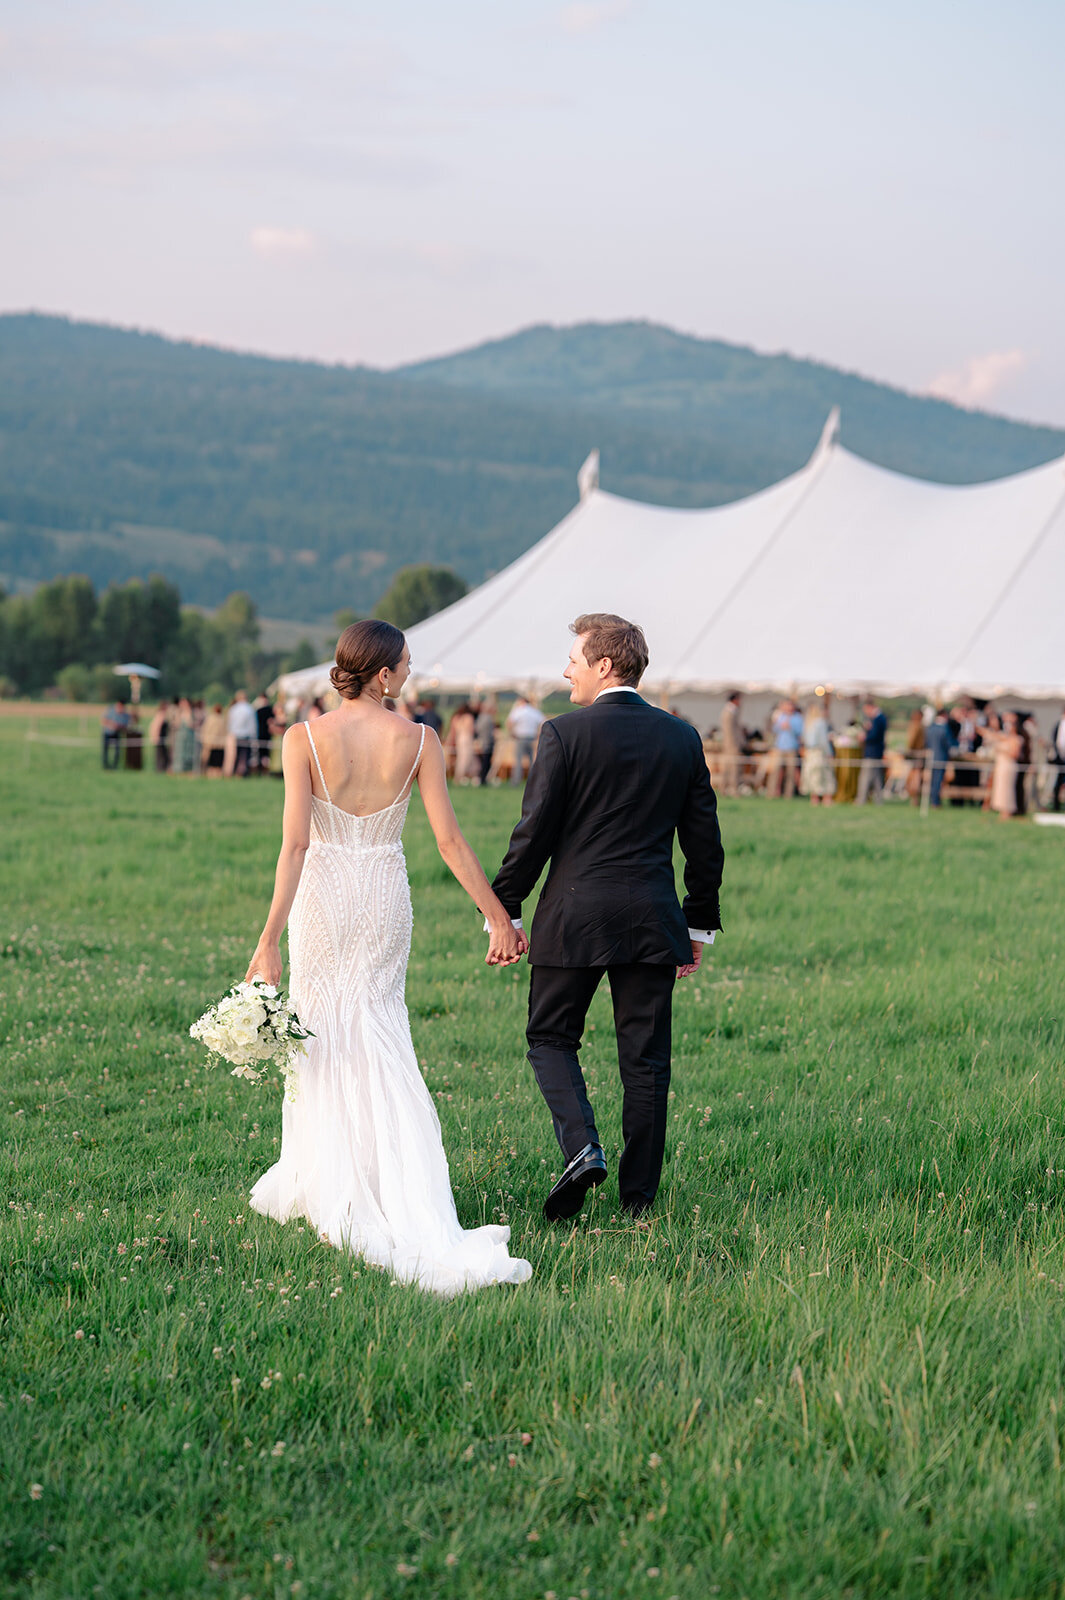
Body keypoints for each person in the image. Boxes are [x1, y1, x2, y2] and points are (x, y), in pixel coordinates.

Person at [244, 620, 531, 1296]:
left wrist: (267, 940)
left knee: (322, 1029)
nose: (410, 672)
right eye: (404, 663)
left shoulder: (303, 738)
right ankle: (391, 1183)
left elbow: (294, 846)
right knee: (377, 1028)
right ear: (380, 674)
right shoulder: (420, 740)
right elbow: (450, 842)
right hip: (381, 894)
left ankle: (330, 1184)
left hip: (322, 898)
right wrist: (497, 919)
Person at [491, 613, 724, 1221]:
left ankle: (582, 1148)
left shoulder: (563, 734)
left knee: (549, 1038)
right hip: (654, 919)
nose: (565, 669)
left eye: (574, 658)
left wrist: (504, 907)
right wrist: (698, 924)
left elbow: (532, 833)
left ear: (603, 665)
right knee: (645, 1064)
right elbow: (705, 843)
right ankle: (639, 1202)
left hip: (572, 919)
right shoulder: (683, 737)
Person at [987, 711, 1023, 819]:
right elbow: (991, 734)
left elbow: (1015, 754)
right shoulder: (1004, 737)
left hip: (1008, 766)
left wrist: (1003, 750)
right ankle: (1001, 810)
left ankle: (1007, 811)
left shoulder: (1016, 739)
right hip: (1001, 766)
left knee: (1007, 789)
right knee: (1000, 789)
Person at [800, 701, 836, 805]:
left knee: (812, 776)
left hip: (810, 753)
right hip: (819, 753)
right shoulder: (820, 722)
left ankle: (814, 799)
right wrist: (830, 753)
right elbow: (823, 741)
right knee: (825, 775)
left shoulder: (807, 723)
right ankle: (827, 799)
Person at [507, 695, 545, 786]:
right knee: (532, 760)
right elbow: (543, 722)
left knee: (518, 760)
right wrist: (539, 733)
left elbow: (510, 722)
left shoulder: (518, 711)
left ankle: (516, 781)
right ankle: (534, 780)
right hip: (532, 738)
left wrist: (512, 732)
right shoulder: (534, 711)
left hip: (520, 737)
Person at [856, 697, 888, 803]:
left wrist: (865, 736)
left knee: (865, 777)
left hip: (873, 752)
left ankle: (861, 799)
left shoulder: (878, 719)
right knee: (877, 778)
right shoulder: (878, 718)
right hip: (876, 752)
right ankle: (878, 800)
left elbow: (875, 736)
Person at [770, 699, 803, 797]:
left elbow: (800, 732)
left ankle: (788, 794)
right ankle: (772, 793)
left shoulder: (798, 718)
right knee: (775, 771)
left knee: (791, 772)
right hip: (780, 747)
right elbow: (774, 729)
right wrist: (780, 726)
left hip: (791, 747)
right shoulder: (780, 716)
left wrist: (790, 727)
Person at [924, 707, 953, 808]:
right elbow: (948, 744)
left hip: (931, 757)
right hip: (941, 757)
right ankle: (935, 802)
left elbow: (927, 743)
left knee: (933, 780)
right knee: (938, 780)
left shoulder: (930, 728)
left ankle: (933, 800)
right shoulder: (944, 728)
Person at [718, 691, 743, 797]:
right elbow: (730, 731)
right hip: (731, 745)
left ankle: (723, 788)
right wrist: (736, 744)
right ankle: (733, 789)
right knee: (733, 768)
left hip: (729, 744)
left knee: (728, 767)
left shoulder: (728, 711)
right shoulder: (730, 712)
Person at [228, 690, 257, 777]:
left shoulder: (233, 708)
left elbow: (230, 723)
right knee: (245, 755)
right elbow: (253, 724)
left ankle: (235, 771)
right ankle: (243, 772)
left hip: (235, 735)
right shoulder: (250, 708)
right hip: (246, 735)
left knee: (235, 754)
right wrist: (254, 736)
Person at [448, 702, 478, 784]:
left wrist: (451, 741)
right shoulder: (469, 717)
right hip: (467, 738)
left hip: (459, 738)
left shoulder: (456, 718)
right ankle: (459, 776)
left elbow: (452, 731)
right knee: (465, 758)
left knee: (462, 758)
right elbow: (471, 730)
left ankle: (467, 775)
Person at [100, 700, 129, 769]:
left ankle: (114, 766)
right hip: (107, 733)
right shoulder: (110, 711)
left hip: (117, 734)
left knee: (117, 751)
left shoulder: (125, 715)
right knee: (105, 751)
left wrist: (118, 727)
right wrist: (111, 725)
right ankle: (105, 766)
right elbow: (103, 720)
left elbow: (126, 727)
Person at [474, 699, 497, 785]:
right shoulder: (487, 718)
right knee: (486, 762)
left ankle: (482, 779)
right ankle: (482, 779)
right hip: (486, 742)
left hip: (483, 741)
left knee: (485, 762)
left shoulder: (481, 717)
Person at [200, 703, 227, 775]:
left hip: (211, 743)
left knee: (212, 762)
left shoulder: (210, 718)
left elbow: (205, 730)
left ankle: (211, 774)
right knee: (216, 762)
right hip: (218, 744)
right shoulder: (222, 719)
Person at [171, 698, 197, 774]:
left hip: (189, 736)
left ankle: (188, 769)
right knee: (179, 752)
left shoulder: (191, 712)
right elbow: (176, 724)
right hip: (180, 736)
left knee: (189, 753)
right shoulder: (178, 712)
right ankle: (179, 769)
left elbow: (191, 724)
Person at [147, 700, 171, 773]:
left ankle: (161, 769)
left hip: (160, 738)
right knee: (161, 755)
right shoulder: (161, 714)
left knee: (161, 754)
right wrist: (155, 736)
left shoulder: (160, 714)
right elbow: (156, 727)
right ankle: (160, 769)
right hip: (159, 738)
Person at [1052, 705, 1065, 812]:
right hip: (1060, 759)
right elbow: (1057, 743)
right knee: (1058, 783)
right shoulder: (1058, 725)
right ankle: (1056, 805)